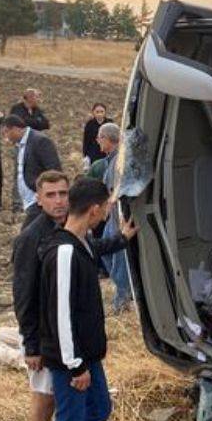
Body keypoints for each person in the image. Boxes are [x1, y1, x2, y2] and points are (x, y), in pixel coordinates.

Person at [11, 171, 134, 421]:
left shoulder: (77, 240)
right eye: (50, 195)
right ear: (94, 210)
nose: (58, 200)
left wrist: (122, 238)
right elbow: (52, 308)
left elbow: (92, 251)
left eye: (63, 194)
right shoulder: (47, 243)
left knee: (96, 410)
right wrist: (41, 348)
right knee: (62, 415)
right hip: (63, 351)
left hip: (82, 350)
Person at [87, 123, 131, 308]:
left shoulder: (119, 160)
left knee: (118, 258)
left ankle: (122, 299)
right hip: (112, 218)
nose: (97, 141)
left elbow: (118, 192)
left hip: (118, 218)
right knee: (105, 254)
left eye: (99, 137)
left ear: (106, 138)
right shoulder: (111, 160)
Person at [3, 115, 62, 227]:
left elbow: (55, 171)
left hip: (38, 200)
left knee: (26, 237)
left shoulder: (40, 141)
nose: (6, 137)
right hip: (29, 202)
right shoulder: (19, 145)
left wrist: (46, 193)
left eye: (6, 132)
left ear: (16, 128)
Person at [81, 103, 112, 170]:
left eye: (102, 112)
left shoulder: (110, 123)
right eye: (97, 112)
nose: (99, 114)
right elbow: (86, 141)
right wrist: (86, 155)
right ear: (93, 112)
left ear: (105, 112)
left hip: (107, 152)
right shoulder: (89, 124)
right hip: (93, 153)